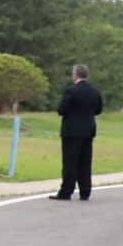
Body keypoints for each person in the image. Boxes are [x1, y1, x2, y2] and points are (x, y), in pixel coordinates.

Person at [48, 64, 103, 201]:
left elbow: (61, 110)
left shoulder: (71, 91)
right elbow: (98, 110)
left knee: (70, 163)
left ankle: (66, 191)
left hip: (71, 132)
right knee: (85, 162)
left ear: (75, 75)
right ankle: (85, 191)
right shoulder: (95, 92)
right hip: (88, 131)